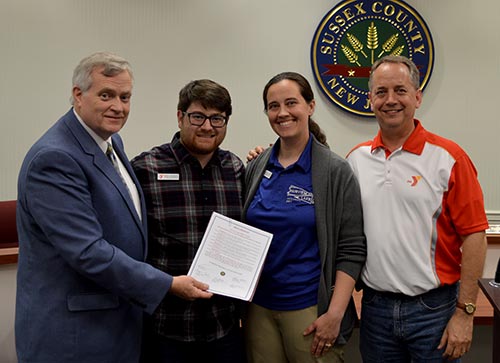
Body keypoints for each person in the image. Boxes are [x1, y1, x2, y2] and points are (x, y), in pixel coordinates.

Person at [15, 52, 212, 363]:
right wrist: (168, 284)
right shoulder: (54, 158)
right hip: (76, 334)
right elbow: (87, 252)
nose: (118, 107)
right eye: (106, 95)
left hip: (116, 321)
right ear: (78, 95)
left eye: (125, 96)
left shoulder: (110, 142)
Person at [346, 55, 488, 362]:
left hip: (434, 312)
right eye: (381, 92)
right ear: (370, 99)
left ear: (417, 97)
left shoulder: (449, 158)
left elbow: (475, 236)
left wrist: (465, 313)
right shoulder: (356, 161)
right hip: (375, 311)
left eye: (401, 90)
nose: (391, 100)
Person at [242, 72, 366, 363]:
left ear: (310, 106)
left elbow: (352, 249)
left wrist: (335, 314)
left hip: (310, 309)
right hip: (259, 308)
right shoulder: (257, 166)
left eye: (291, 103)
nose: (282, 113)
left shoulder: (336, 171)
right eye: (273, 106)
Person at [131, 79, 246, 363]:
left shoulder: (236, 169)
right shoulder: (145, 168)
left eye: (217, 118)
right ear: (180, 116)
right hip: (167, 329)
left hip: (224, 327)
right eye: (198, 116)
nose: (208, 126)